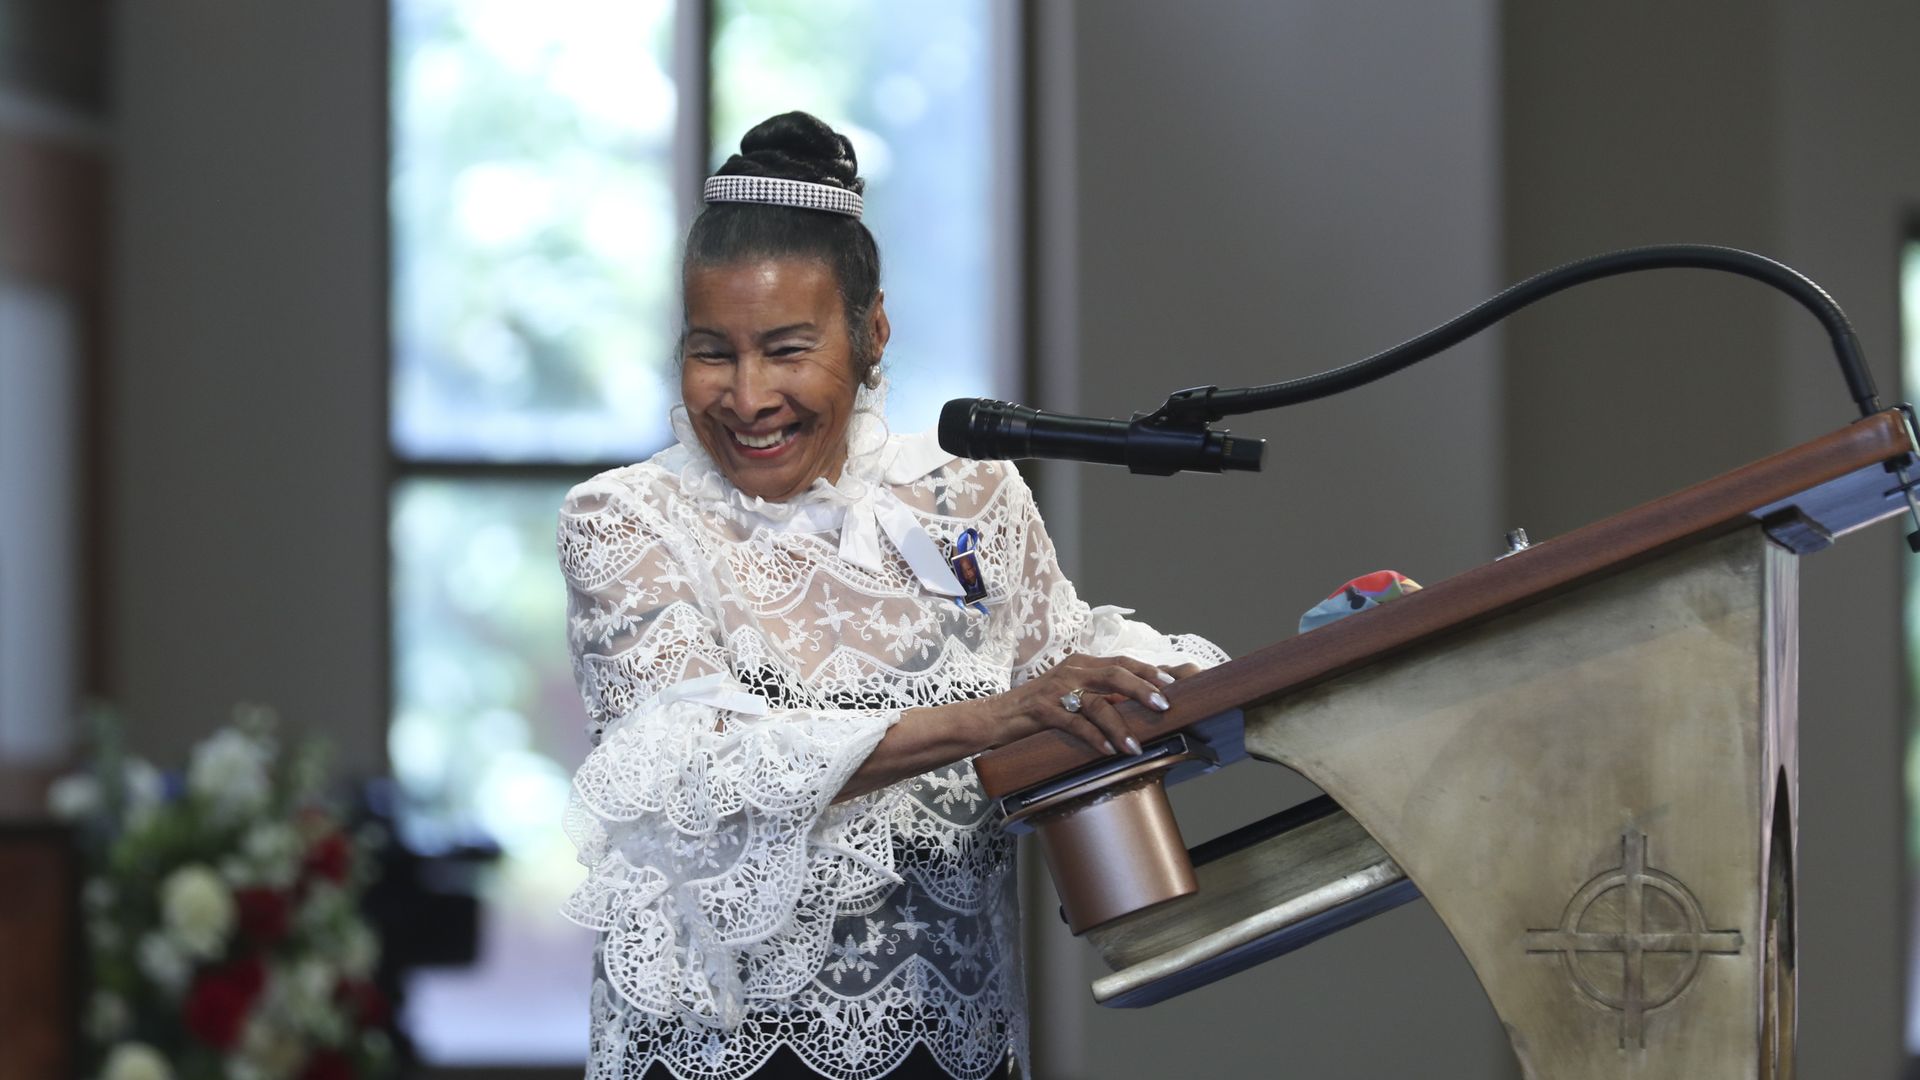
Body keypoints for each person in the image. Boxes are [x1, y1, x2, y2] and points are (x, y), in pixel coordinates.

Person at [556, 111, 1227, 1080]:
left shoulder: (970, 494)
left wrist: (1239, 668)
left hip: (950, 1051)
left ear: (873, 333)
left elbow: (1066, 665)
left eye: (786, 349)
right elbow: (695, 765)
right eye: (714, 350)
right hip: (721, 1056)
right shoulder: (627, 519)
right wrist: (987, 718)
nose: (747, 398)